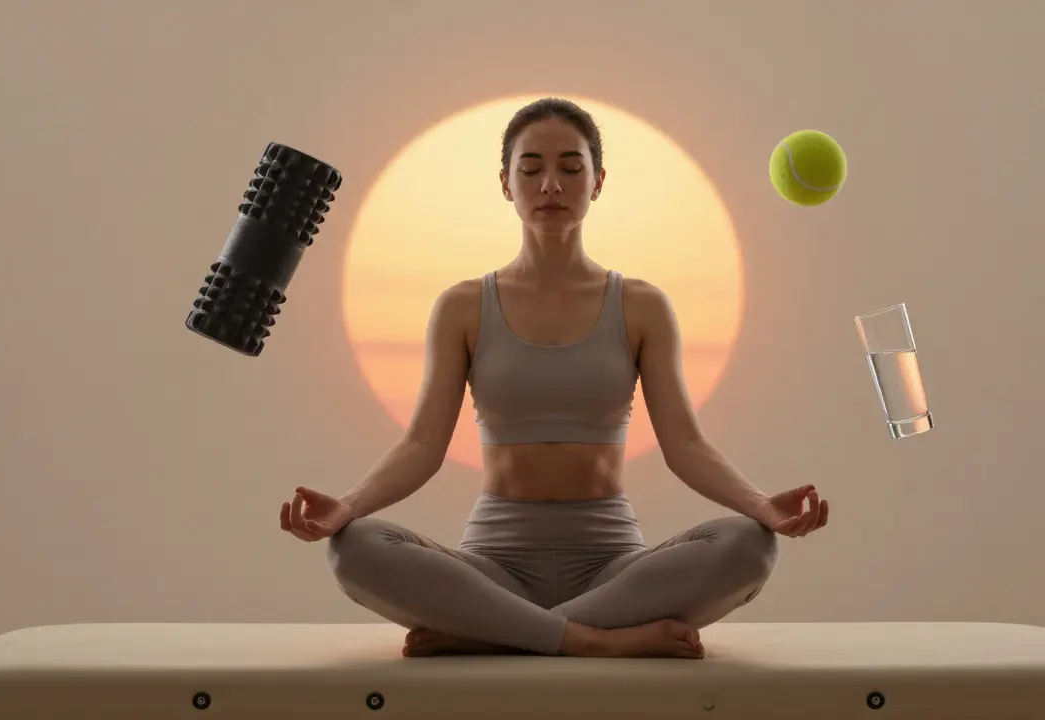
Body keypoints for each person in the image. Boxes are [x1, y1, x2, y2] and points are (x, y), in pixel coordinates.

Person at [279, 97, 829, 659]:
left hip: (612, 570)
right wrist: (347, 507)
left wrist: (762, 506)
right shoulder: (463, 306)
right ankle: (589, 640)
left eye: (571, 168)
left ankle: (489, 632)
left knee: (746, 545)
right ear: (505, 183)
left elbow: (686, 445)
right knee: (357, 549)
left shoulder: (641, 306)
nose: (550, 185)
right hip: (493, 567)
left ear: (597, 182)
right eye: (531, 168)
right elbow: (421, 445)